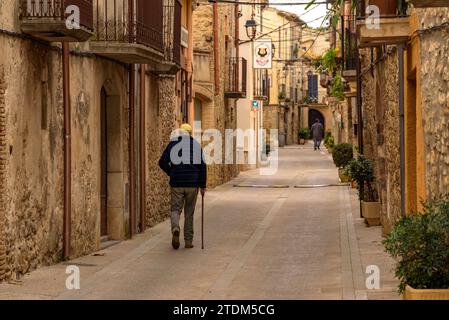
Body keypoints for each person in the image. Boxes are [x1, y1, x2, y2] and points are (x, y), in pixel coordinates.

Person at [159, 123, 207, 250]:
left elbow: (162, 162)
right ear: (190, 134)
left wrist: (171, 172)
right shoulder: (196, 146)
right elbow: (202, 167)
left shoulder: (173, 144)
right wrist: (202, 185)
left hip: (177, 183)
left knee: (175, 209)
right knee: (189, 213)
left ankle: (175, 227)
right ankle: (188, 241)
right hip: (192, 183)